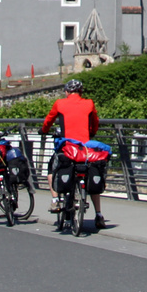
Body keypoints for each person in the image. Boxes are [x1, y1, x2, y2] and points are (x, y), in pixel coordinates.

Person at [40, 79, 104, 229]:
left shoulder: (60, 104)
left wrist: (43, 131)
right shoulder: (89, 103)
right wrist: (92, 133)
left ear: (67, 92)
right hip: (85, 149)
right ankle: (99, 214)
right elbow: (95, 122)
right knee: (91, 175)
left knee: (52, 169)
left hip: (68, 148)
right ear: (81, 92)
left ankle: (55, 200)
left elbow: (49, 120)